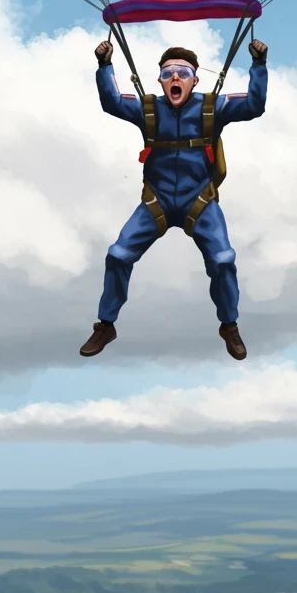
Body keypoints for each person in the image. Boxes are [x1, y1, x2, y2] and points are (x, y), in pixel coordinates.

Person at [81, 38, 268, 360]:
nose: (175, 79)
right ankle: (105, 324)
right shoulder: (148, 109)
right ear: (160, 81)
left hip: (200, 200)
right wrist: (104, 64)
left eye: (183, 73)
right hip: (159, 201)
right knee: (118, 255)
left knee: (223, 260)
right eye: (168, 74)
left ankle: (229, 325)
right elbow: (111, 101)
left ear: (195, 79)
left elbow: (254, 105)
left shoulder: (212, 107)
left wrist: (259, 65)